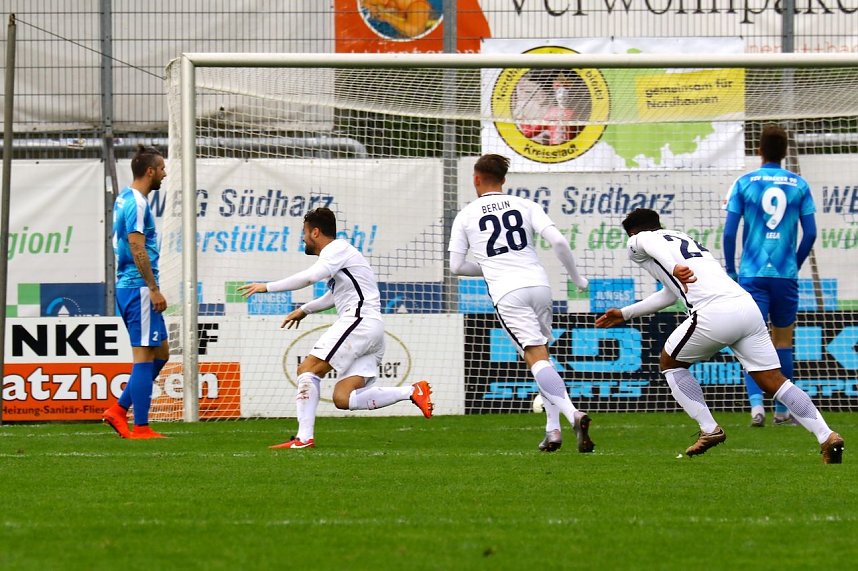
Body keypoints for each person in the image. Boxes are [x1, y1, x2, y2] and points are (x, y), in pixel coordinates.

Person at [595, 208, 843, 463]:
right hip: (746, 308)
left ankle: (709, 428)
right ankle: (827, 436)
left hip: (713, 312)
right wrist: (626, 313)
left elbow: (647, 242)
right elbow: (670, 293)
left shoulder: (640, 239)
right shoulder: (684, 238)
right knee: (774, 380)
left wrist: (674, 266)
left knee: (670, 363)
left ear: (633, 231)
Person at [238, 207, 433, 449]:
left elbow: (309, 277)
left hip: (358, 322)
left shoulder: (336, 249)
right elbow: (335, 295)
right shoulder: (341, 254)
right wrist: (305, 309)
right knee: (343, 398)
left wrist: (267, 287)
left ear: (316, 232)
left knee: (307, 369)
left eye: (305, 232)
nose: (303, 238)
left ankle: (304, 438)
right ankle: (412, 391)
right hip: (371, 329)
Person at [448, 154, 593, 453]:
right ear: (503, 180)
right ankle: (553, 430)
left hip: (507, 291)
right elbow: (559, 243)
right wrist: (577, 279)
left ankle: (572, 414)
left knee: (535, 357)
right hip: (539, 285)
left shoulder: (466, 214)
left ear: (476, 179)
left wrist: (489, 266)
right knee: (543, 356)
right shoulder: (525, 204)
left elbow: (457, 267)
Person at [723, 124, 817, 428]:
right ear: (785, 152)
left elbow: (729, 231)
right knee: (783, 342)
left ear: (759, 150)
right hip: (784, 276)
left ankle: (755, 409)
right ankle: (782, 411)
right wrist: (795, 264)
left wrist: (731, 270)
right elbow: (811, 233)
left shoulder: (744, 182)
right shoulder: (799, 184)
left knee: (751, 342)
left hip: (751, 274)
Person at [102, 145, 169, 439]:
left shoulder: (126, 199)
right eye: (163, 169)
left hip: (134, 286)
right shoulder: (138, 204)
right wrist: (152, 288)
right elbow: (136, 245)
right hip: (138, 288)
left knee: (161, 353)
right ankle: (140, 426)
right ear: (150, 171)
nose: (165, 174)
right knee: (143, 357)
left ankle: (118, 410)